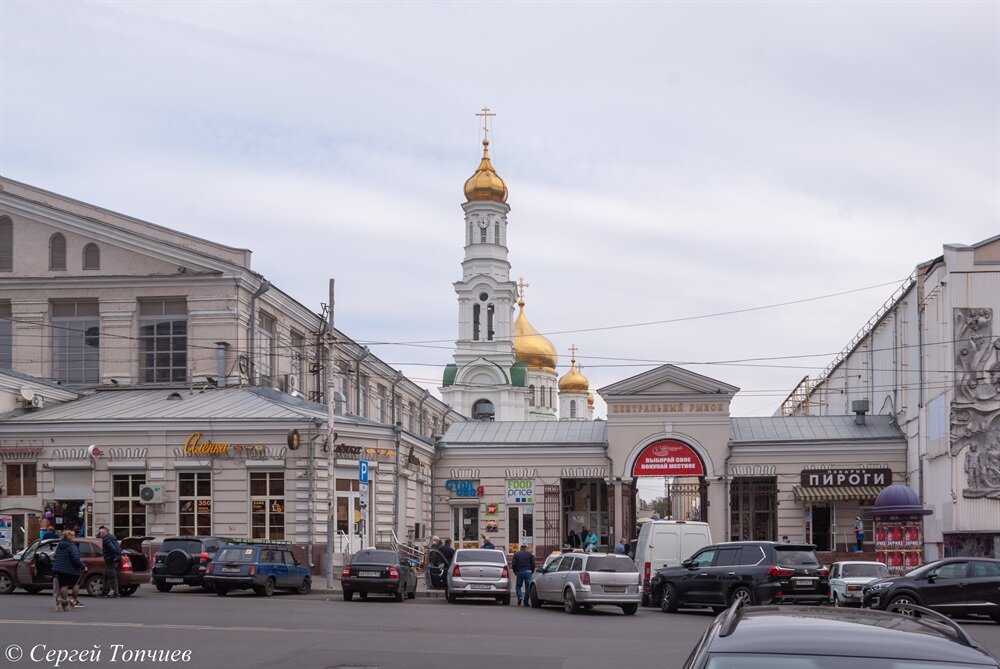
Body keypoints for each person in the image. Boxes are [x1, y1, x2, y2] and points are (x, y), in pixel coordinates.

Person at [51, 530, 86, 612]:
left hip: (59, 569)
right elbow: (75, 559)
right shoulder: (72, 546)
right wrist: (83, 567)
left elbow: (55, 556)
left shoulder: (60, 545)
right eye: (73, 536)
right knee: (76, 584)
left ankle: (64, 601)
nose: (74, 537)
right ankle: (74, 600)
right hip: (71, 569)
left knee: (64, 585)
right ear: (70, 537)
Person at [98, 526, 121, 598]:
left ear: (104, 533)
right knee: (106, 576)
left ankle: (116, 593)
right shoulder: (112, 537)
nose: (100, 534)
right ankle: (104, 592)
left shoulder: (106, 539)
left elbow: (113, 549)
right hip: (112, 559)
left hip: (110, 560)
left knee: (112, 577)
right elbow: (117, 548)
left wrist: (113, 558)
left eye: (101, 533)